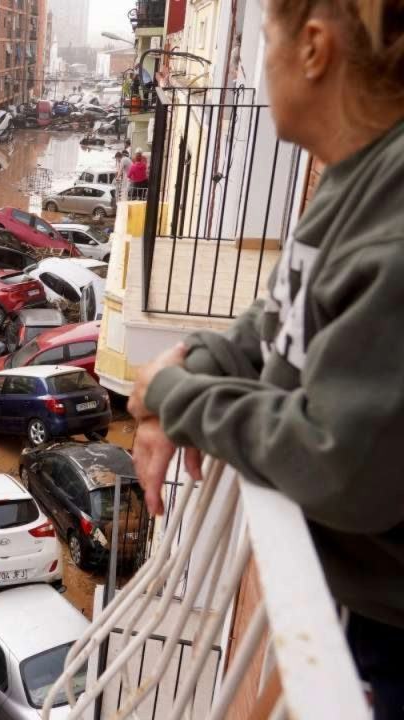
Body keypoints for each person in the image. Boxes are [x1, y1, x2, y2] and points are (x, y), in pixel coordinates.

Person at [126, 1, 404, 716]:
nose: (259, 65)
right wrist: (189, 370)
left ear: (313, 49)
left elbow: (334, 457)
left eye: (263, 40)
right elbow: (274, 323)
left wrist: (180, 396)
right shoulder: (353, 176)